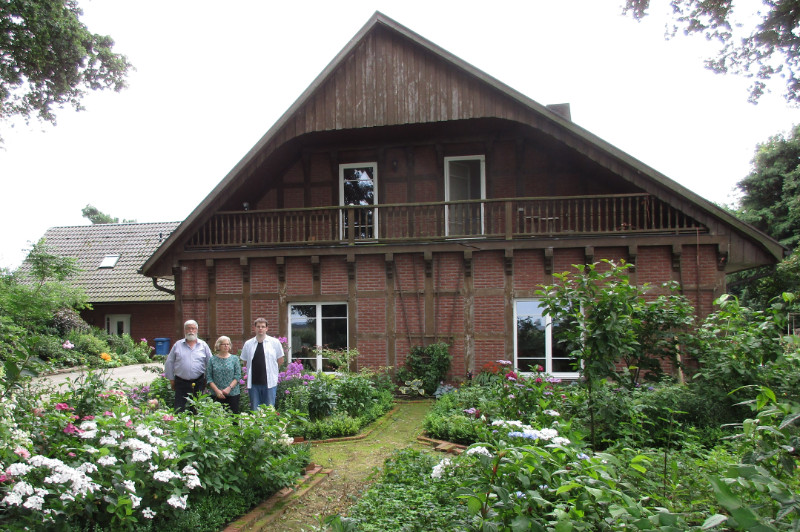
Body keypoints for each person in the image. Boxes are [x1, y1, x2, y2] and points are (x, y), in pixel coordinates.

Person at [164, 320, 212, 413]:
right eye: (188, 328)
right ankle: (179, 425)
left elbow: (210, 363)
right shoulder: (177, 345)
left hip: (199, 381)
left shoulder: (203, 345)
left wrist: (208, 378)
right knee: (179, 408)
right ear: (184, 330)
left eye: (193, 328)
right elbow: (169, 362)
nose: (191, 331)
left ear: (197, 330)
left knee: (196, 408)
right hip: (181, 381)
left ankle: (196, 426)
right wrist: (171, 379)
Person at [239, 317, 285, 410]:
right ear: (254, 328)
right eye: (258, 326)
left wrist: (273, 372)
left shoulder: (274, 342)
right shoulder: (248, 344)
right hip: (254, 384)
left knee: (269, 411)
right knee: (255, 410)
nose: (260, 328)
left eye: (263, 326)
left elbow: (280, 360)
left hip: (270, 383)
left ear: (266, 329)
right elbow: (245, 362)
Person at [207, 336, 242, 414]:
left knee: (233, 419)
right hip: (216, 394)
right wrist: (217, 391)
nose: (226, 346)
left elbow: (237, 375)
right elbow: (209, 377)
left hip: (233, 393)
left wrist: (229, 388)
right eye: (224, 344)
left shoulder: (234, 359)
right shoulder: (212, 360)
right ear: (218, 346)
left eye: (228, 344)